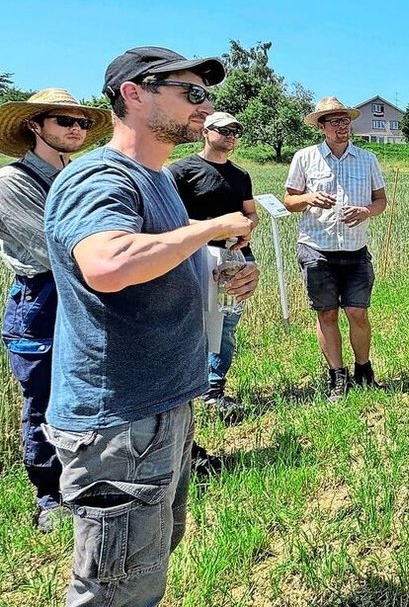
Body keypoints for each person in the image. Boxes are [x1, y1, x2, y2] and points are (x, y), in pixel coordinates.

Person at [43, 46, 259, 604]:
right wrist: (206, 229)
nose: (204, 106)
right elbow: (108, 265)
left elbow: (158, 255)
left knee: (145, 567)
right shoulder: (100, 176)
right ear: (134, 94)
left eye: (205, 94)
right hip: (120, 418)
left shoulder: (156, 177)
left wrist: (217, 267)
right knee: (114, 589)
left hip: (163, 403)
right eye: (191, 93)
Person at [0, 88, 109, 533]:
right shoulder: (11, 183)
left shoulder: (79, 176)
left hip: (90, 290)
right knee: (44, 399)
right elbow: (51, 250)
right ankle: (50, 495)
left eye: (82, 123)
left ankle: (94, 477)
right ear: (34, 125)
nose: (76, 129)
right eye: (65, 121)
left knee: (94, 389)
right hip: (43, 299)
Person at [284, 96, 387, 402]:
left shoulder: (367, 159)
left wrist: (366, 211)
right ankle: (337, 377)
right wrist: (308, 198)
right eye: (335, 122)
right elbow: (289, 201)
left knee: (358, 312)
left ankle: (364, 371)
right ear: (322, 127)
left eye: (345, 121)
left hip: (355, 249)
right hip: (317, 248)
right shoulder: (305, 157)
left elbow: (381, 201)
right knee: (327, 314)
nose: (343, 127)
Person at [169, 111, 259, 422]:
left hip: (234, 256)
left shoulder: (240, 175)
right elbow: (171, 218)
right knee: (192, 324)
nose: (231, 136)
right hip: (194, 256)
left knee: (226, 324)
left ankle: (214, 389)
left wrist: (247, 229)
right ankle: (185, 391)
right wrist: (215, 228)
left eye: (236, 131)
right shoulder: (181, 171)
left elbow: (250, 213)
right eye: (224, 130)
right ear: (206, 132)